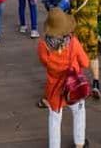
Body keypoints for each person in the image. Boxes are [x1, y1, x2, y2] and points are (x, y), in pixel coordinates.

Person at [37, 8, 89, 148]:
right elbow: (85, 62)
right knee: (79, 112)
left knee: (55, 119)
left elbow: (44, 63)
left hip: (54, 88)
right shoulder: (73, 43)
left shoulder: (43, 46)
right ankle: (79, 143)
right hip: (73, 85)